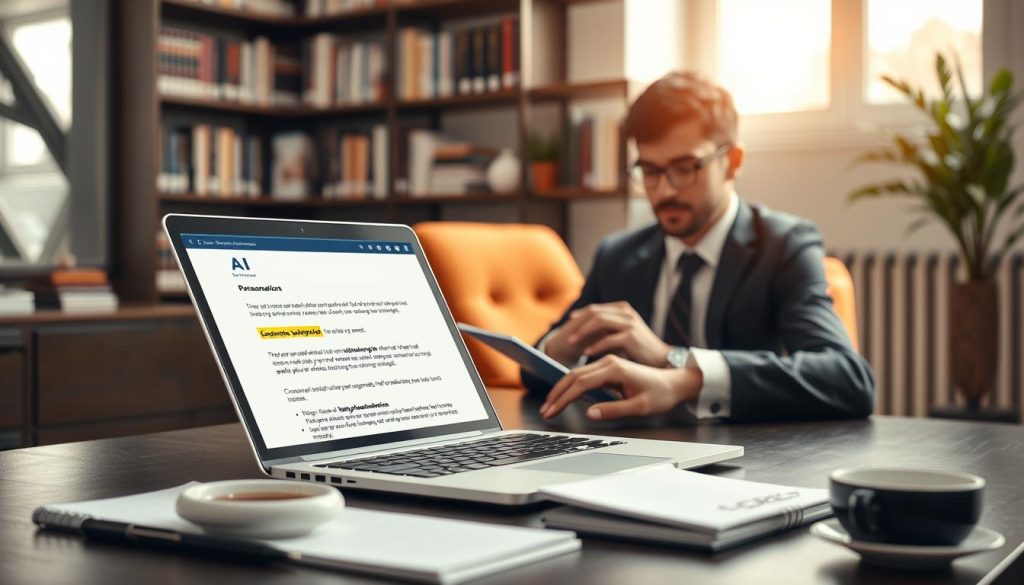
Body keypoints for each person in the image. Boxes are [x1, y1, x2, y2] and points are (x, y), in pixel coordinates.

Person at [523, 72, 875, 423]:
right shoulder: (619, 255)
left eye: (685, 168)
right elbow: (531, 373)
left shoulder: (783, 246)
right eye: (649, 171)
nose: (665, 191)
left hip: (752, 459)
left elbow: (847, 379)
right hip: (636, 451)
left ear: (732, 162)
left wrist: (678, 366)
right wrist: (558, 350)